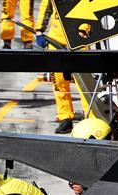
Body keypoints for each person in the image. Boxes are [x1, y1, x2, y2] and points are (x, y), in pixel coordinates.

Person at [36, 0, 76, 134]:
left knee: (85, 84)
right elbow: (45, 7)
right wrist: (39, 30)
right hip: (56, 39)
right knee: (59, 83)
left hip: (79, 38)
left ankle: (92, 116)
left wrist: (84, 31)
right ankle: (66, 118)